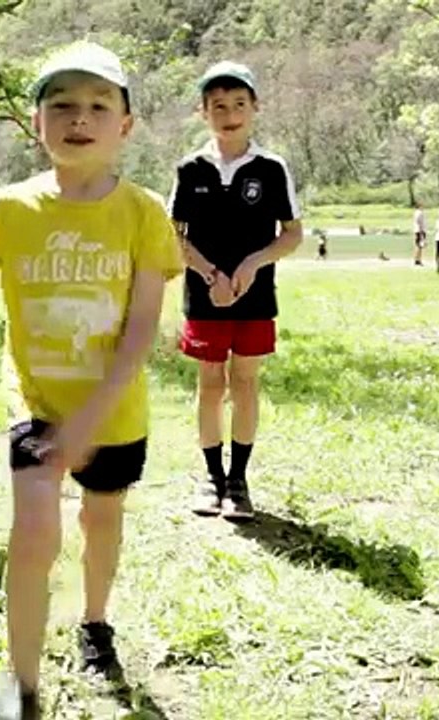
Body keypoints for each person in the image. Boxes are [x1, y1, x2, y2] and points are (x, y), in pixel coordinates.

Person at [0, 42, 181, 719]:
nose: (79, 119)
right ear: (35, 122)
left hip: (113, 413)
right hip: (38, 405)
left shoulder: (143, 213)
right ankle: (20, 687)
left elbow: (141, 330)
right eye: (62, 106)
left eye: (97, 106)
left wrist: (90, 421)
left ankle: (96, 620)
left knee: (101, 518)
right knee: (32, 532)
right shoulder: (9, 210)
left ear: (125, 126)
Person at [169, 61, 303, 522]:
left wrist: (252, 263)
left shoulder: (271, 168)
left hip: (256, 299)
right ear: (203, 112)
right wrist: (209, 274)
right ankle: (211, 478)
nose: (229, 114)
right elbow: (174, 235)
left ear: (255, 108)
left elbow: (291, 234)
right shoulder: (190, 169)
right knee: (210, 385)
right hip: (205, 298)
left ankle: (239, 482)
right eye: (218, 106)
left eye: (239, 104)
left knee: (245, 383)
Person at [413, 201, 427, 266]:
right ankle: (418, 260)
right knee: (420, 245)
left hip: (417, 230)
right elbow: (419, 222)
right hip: (420, 230)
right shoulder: (420, 213)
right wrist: (421, 231)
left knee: (418, 245)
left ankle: (417, 259)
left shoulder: (416, 212)